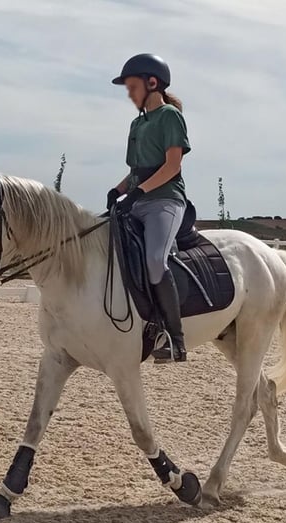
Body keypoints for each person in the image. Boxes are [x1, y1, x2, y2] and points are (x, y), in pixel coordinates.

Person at [107, 53, 191, 363]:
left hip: (165, 201)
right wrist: (118, 190)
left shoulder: (170, 116)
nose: (129, 93)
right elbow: (137, 172)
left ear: (151, 83)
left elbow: (172, 166)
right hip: (137, 200)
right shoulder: (136, 123)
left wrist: (138, 191)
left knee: (156, 260)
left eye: (132, 86)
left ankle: (175, 339)